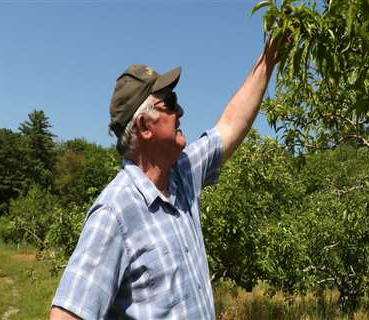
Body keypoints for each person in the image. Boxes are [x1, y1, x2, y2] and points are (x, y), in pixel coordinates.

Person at [49, 37, 281, 319]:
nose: (180, 111)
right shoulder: (114, 213)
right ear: (144, 126)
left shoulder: (182, 173)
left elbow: (231, 124)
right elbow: (66, 314)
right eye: (170, 104)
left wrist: (268, 59)